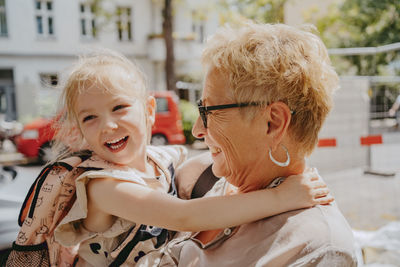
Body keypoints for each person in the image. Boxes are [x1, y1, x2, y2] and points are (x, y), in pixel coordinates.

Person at [9, 50, 332, 267]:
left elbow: (211, 168)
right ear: (79, 129)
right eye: (90, 118)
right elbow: (183, 217)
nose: (108, 125)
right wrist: (279, 197)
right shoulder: (102, 186)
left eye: (119, 108)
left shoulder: (159, 160)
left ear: (150, 111)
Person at [151, 23, 358, 266]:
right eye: (200, 109)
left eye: (209, 111)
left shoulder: (317, 249)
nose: (197, 129)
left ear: (272, 122)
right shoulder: (201, 176)